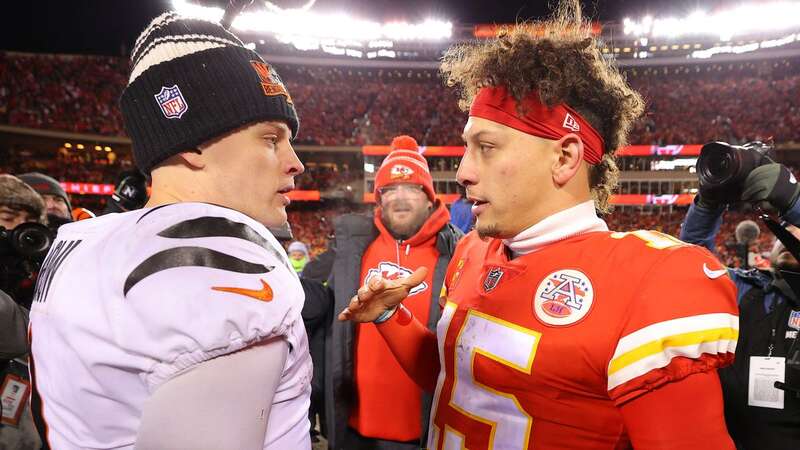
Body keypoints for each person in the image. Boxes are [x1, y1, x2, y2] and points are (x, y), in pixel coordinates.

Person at [339, 2, 739, 448]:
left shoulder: (652, 281)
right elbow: (460, 381)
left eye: (486, 147)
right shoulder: (473, 251)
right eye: (467, 149)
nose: (464, 172)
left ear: (564, 157)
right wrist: (391, 316)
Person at [27, 12, 311, 450]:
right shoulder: (214, 259)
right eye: (271, 139)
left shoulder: (87, 241)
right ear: (192, 143)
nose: (296, 162)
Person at [309, 135, 462, 449]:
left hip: (423, 434)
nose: (400, 198)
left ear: (431, 198)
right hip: (353, 430)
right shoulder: (351, 249)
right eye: (389, 189)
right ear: (378, 199)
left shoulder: (459, 254)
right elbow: (310, 304)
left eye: (411, 188)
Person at [681, 161, 800, 449]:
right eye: (784, 230)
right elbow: (692, 262)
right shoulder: (747, 287)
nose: (791, 236)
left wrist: (794, 202)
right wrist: (708, 203)